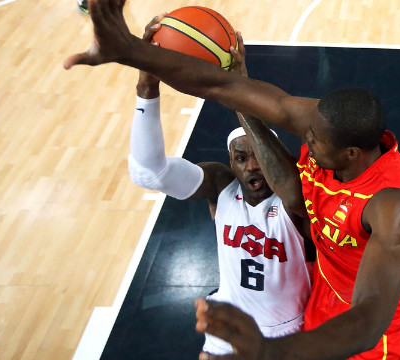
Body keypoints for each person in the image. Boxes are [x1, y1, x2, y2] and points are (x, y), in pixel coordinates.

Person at [64, 1, 400, 358]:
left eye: (315, 142)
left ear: (352, 155)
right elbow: (220, 87)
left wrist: (268, 352)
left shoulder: (391, 204)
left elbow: (366, 323)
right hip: (322, 289)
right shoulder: (326, 126)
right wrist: (130, 52)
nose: (306, 141)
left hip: (364, 321)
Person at [126, 15, 313, 356]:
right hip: (229, 319)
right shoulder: (223, 188)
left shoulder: (298, 198)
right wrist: (147, 86)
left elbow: (292, 188)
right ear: (230, 164)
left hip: (289, 329)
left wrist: (239, 87)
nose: (252, 165)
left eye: (258, 154)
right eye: (241, 158)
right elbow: (147, 173)